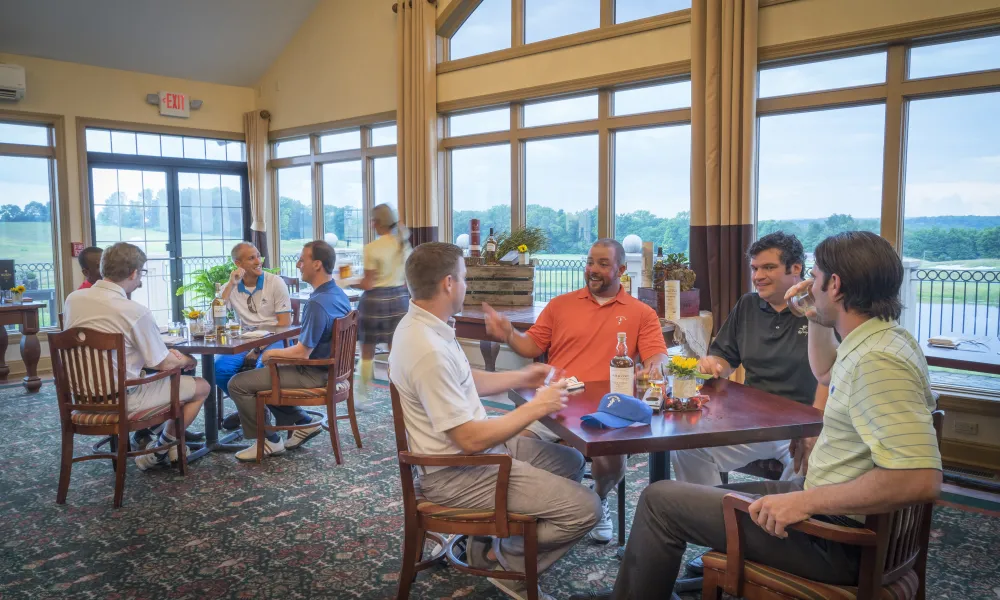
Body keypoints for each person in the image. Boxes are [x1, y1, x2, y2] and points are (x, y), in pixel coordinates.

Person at [571, 231, 942, 600]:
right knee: (673, 495)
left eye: (815, 277)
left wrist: (803, 503)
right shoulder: (881, 340)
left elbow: (920, 480)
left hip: (833, 539)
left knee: (658, 500)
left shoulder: (878, 361)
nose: (809, 285)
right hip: (825, 509)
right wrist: (813, 316)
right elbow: (825, 373)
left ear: (836, 285)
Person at [390, 242, 601, 600]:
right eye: (465, 278)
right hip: (457, 471)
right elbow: (470, 440)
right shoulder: (427, 349)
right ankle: (509, 564)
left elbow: (466, 379)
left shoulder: (425, 326)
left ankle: (487, 539)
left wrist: (523, 377)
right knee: (586, 510)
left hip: (473, 455)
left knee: (571, 461)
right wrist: (536, 407)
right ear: (448, 284)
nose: (467, 285)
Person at [483, 238, 668, 544]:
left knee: (610, 461)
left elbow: (656, 356)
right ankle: (537, 507)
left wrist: (655, 366)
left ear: (621, 269)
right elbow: (531, 346)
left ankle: (598, 499)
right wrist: (508, 334)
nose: (593, 270)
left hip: (608, 410)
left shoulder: (641, 313)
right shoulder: (560, 305)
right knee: (518, 447)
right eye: (590, 262)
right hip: (555, 402)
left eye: (603, 264)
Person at [675, 232, 828, 486]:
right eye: (754, 268)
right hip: (753, 423)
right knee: (688, 447)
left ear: (796, 269)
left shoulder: (820, 311)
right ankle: (713, 515)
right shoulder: (748, 305)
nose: (757, 276)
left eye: (768, 267)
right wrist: (715, 364)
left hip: (802, 426)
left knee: (808, 463)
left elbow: (834, 376)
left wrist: (814, 426)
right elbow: (724, 357)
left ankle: (775, 521)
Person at [63, 242, 211, 471]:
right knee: (201, 386)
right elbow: (163, 363)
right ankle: (161, 450)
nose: (141, 279)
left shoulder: (73, 299)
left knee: (157, 375)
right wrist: (187, 360)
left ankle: (162, 442)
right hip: (123, 401)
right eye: (141, 273)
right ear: (133, 273)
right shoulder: (134, 311)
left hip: (80, 399)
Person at [227, 240, 352, 462]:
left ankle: (268, 441)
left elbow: (302, 353)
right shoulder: (338, 294)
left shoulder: (317, 303)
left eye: (302, 260)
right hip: (329, 370)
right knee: (261, 378)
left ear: (317, 265)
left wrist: (269, 354)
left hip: (314, 374)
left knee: (237, 383)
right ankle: (302, 423)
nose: (297, 265)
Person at [214, 242, 293, 397]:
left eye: (258, 256)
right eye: (251, 258)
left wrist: (258, 348)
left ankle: (255, 413)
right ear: (238, 264)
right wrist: (231, 284)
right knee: (219, 369)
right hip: (244, 339)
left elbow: (284, 324)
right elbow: (216, 317)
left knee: (263, 369)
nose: (258, 262)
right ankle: (250, 409)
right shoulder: (230, 286)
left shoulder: (275, 282)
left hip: (275, 338)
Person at [355, 203, 412, 406]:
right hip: (400, 300)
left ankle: (361, 397)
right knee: (395, 352)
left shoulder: (371, 248)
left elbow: (368, 283)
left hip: (374, 302)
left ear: (376, 223)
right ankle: (400, 396)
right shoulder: (403, 245)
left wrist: (348, 280)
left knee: (367, 352)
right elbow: (406, 280)